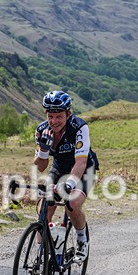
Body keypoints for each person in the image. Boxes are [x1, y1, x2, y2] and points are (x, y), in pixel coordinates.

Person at [35, 91, 99, 262]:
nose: (54, 121)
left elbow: (80, 163)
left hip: (84, 169)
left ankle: (81, 241)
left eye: (59, 116)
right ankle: (39, 255)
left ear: (68, 114)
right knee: (44, 208)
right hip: (59, 168)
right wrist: (43, 150)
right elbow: (41, 167)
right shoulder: (42, 130)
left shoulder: (79, 128)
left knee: (71, 203)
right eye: (50, 116)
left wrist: (69, 184)